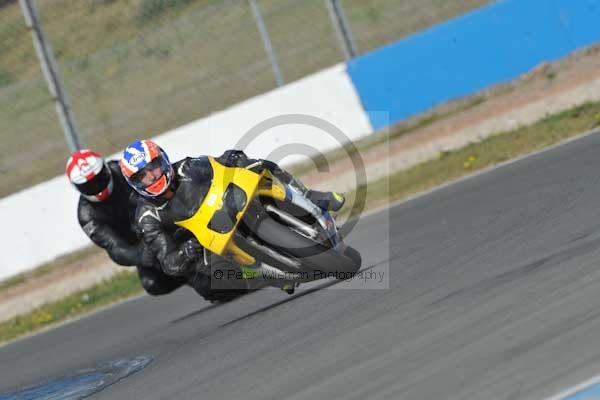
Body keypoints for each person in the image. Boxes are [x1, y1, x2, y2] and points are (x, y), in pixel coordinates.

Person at [119, 139, 346, 290]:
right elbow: (168, 262)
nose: (152, 177)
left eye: (154, 167)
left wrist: (239, 160)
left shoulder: (186, 168)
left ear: (164, 159)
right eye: (143, 176)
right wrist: (187, 251)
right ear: (135, 183)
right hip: (204, 243)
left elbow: (219, 164)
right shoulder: (147, 217)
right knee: (220, 278)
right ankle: (270, 276)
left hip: (227, 208)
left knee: (262, 168)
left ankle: (309, 195)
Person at [66, 149, 187, 296]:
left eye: (99, 179)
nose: (97, 187)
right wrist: (143, 255)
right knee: (153, 284)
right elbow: (115, 247)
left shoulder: (124, 171)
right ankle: (186, 276)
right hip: (142, 246)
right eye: (88, 186)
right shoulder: (87, 217)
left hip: (163, 221)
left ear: (106, 169)